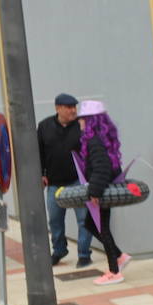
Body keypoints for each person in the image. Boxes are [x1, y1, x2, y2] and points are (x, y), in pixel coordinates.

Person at [74, 100, 130, 285]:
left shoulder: (94, 141)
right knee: (92, 224)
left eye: (82, 119)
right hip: (105, 188)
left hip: (100, 191)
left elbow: (102, 167)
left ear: (90, 120)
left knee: (101, 227)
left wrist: (95, 192)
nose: (79, 122)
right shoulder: (102, 139)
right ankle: (119, 256)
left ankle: (114, 271)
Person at [37, 93, 94, 269]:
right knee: (55, 219)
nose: (73, 110)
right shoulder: (44, 126)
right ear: (58, 108)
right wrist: (41, 173)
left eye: (74, 107)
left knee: (83, 219)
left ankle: (84, 254)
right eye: (69, 107)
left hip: (78, 181)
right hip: (54, 183)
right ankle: (59, 250)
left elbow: (89, 151)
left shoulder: (81, 126)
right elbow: (38, 152)